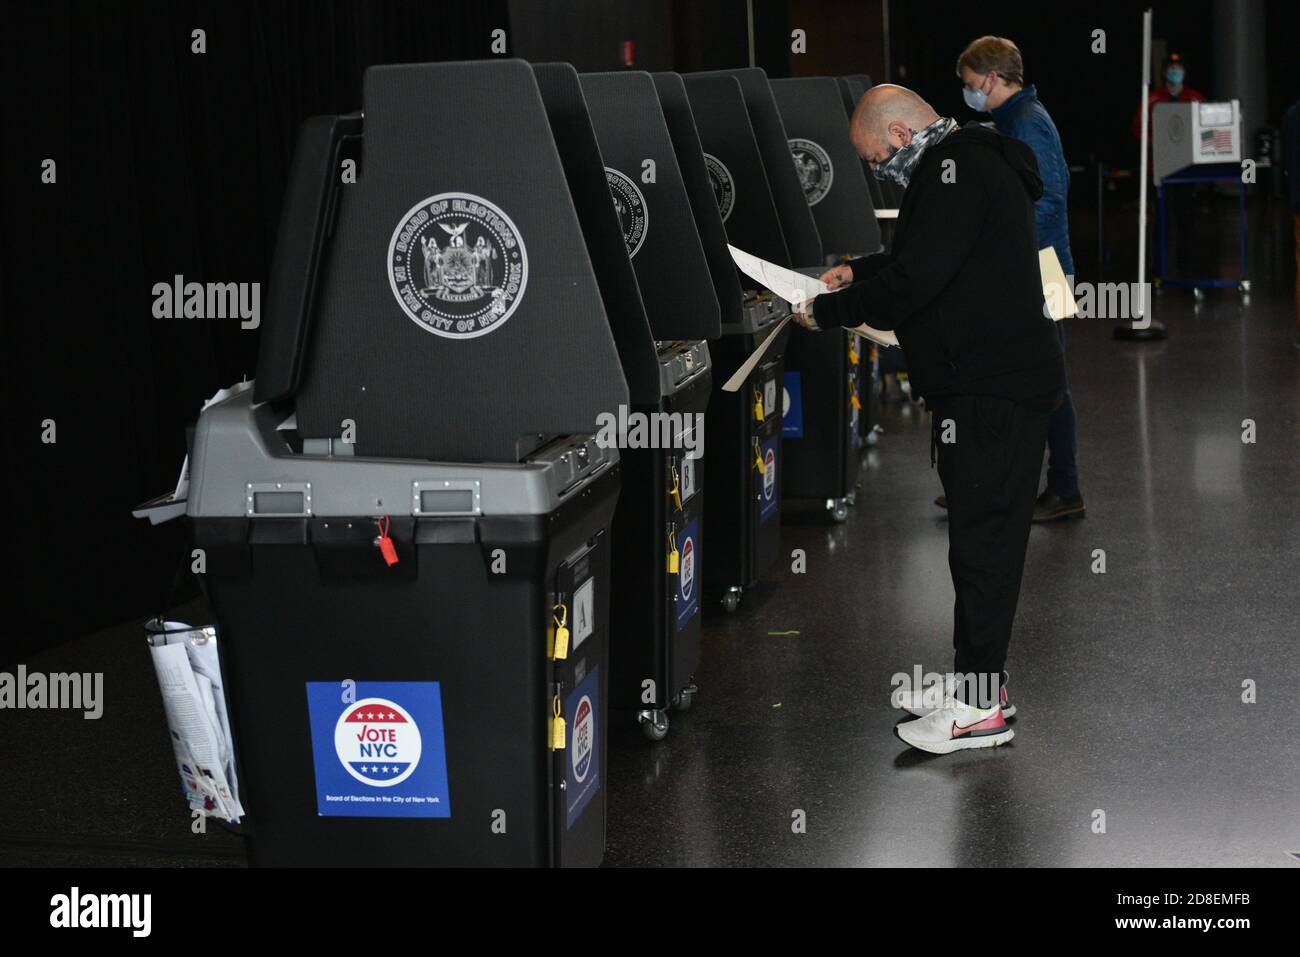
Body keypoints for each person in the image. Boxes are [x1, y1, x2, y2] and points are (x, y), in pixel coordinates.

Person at [795, 84, 1065, 755]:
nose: (877, 170)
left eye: (872, 158)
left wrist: (827, 310)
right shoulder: (962, 163)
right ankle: (977, 685)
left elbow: (913, 285)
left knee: (985, 550)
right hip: (985, 391)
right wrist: (854, 272)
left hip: (992, 396)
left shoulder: (958, 171)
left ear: (894, 136)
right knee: (975, 545)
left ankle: (980, 710)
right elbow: (922, 258)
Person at [957, 36, 1083, 522]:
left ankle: (1066, 488)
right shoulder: (1011, 121)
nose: (968, 91)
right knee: (1014, 380)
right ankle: (997, 487)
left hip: (1044, 268)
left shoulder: (1028, 124)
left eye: (970, 83)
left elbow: (1049, 199)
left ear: (991, 78)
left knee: (1050, 386)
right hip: (1035, 266)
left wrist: (998, 243)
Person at [1132, 53, 1207, 281]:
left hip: (1186, 171)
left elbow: (1207, 130)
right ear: (1165, 72)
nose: (1175, 71)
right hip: (1159, 170)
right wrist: (1159, 144)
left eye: (1179, 67)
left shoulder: (1196, 99)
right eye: (1172, 68)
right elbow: (1138, 129)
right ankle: (1158, 272)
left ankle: (1187, 270)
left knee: (1187, 220)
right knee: (1161, 222)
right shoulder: (1153, 99)